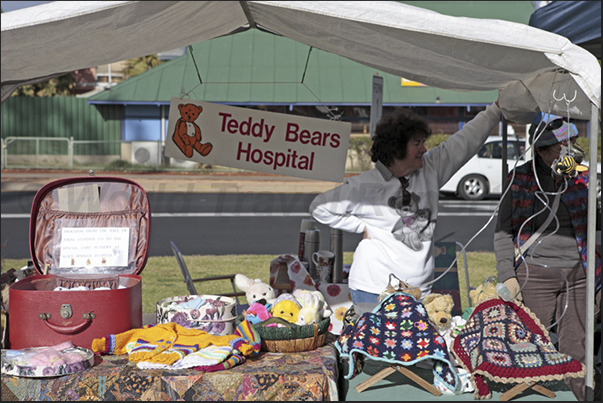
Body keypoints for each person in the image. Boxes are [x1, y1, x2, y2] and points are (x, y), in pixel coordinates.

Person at [309, 102, 502, 305]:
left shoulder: (431, 168)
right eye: (417, 143)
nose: (424, 148)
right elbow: (319, 207)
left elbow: (466, 141)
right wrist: (362, 226)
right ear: (397, 147)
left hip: (421, 292)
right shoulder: (364, 184)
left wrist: (496, 109)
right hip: (373, 291)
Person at [493, 113, 601, 401]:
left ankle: (581, 397)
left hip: (579, 273)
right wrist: (507, 275)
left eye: (573, 143)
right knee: (531, 345)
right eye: (562, 146)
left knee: (576, 348)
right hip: (536, 274)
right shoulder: (519, 179)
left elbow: (595, 227)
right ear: (540, 150)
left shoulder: (583, 176)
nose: (571, 151)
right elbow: (502, 231)